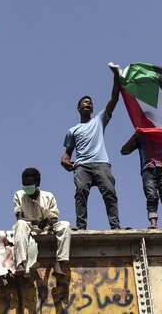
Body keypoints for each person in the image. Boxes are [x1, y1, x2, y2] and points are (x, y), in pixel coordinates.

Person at [61, 62, 121, 230]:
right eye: (85, 102)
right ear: (78, 108)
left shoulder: (99, 120)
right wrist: (65, 161)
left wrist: (116, 76)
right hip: (82, 167)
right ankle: (81, 227)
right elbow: (66, 155)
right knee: (80, 194)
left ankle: (115, 227)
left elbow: (114, 99)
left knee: (110, 193)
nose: (88, 103)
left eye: (91, 102)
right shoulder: (72, 130)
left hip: (101, 163)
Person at [13, 168, 71, 277]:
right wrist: (35, 222)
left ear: (37, 184)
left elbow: (54, 218)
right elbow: (19, 217)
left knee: (65, 225)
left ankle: (59, 262)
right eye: (24, 185)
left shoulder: (48, 196)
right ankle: (20, 263)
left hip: (46, 227)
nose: (26, 187)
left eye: (29, 185)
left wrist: (47, 221)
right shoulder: (18, 195)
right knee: (20, 224)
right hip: (28, 226)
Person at [121, 132, 162, 229]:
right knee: (151, 195)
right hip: (148, 168)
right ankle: (153, 225)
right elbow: (124, 151)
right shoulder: (140, 136)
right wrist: (136, 134)